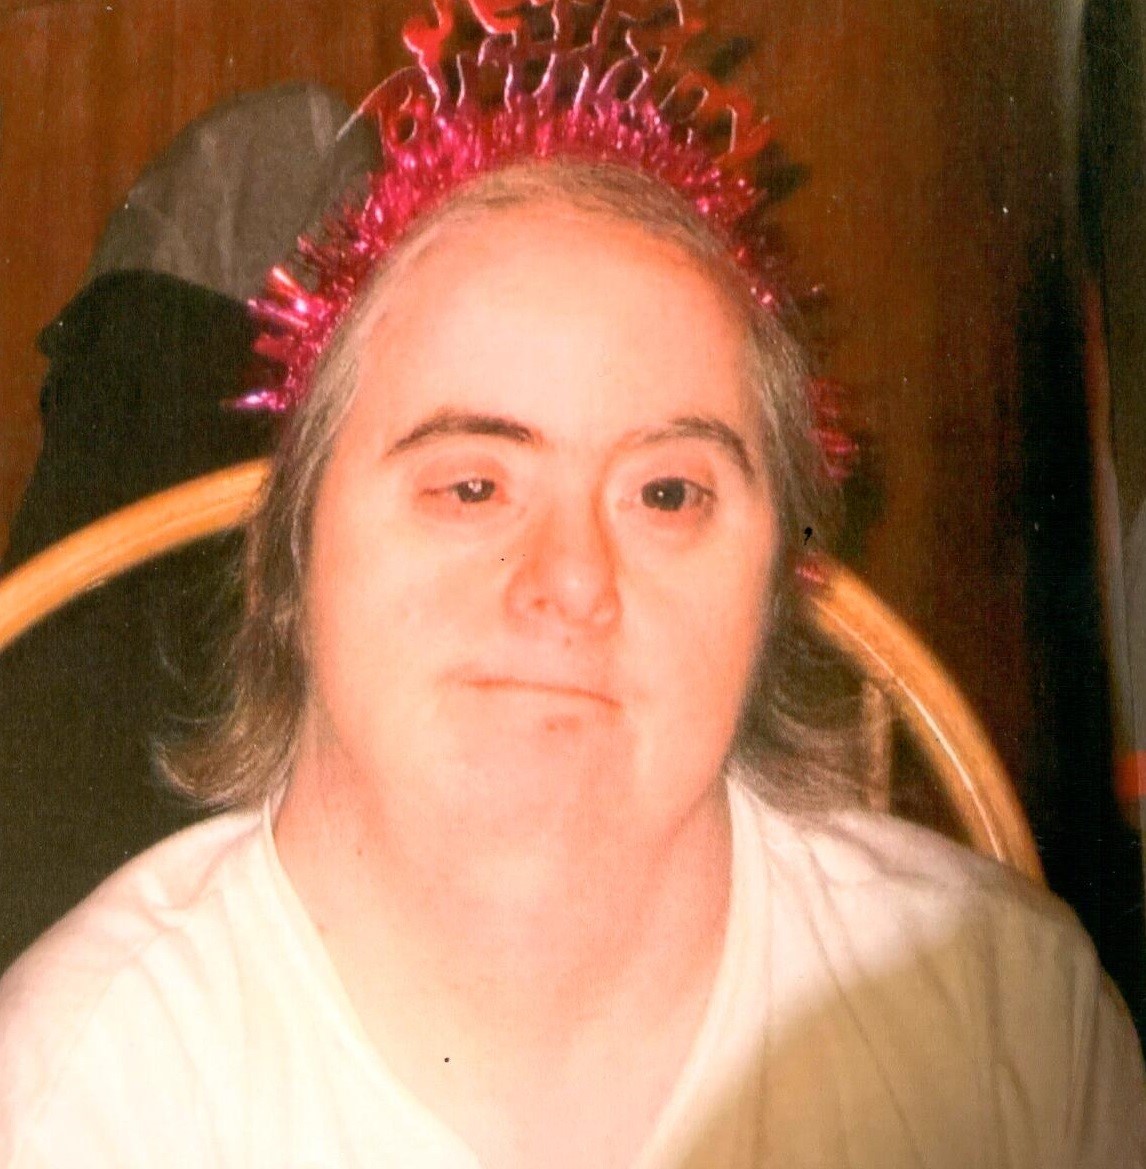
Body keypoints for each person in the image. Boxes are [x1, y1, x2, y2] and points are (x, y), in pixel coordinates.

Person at [1, 3, 1143, 1166]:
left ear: (775, 583)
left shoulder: (1008, 1027)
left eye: (667, 493)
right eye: (471, 486)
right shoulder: (78, 1097)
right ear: (289, 558)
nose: (573, 580)